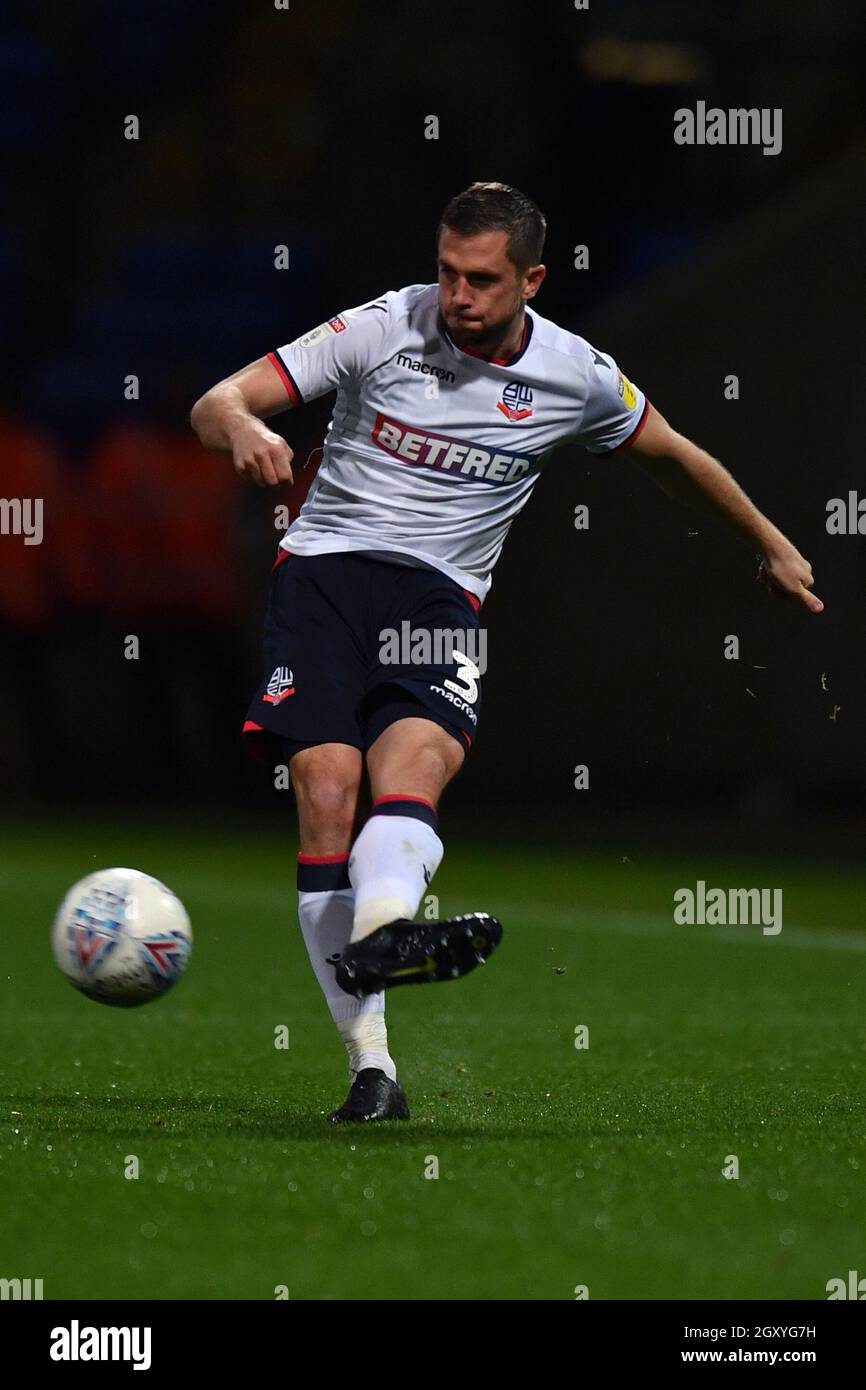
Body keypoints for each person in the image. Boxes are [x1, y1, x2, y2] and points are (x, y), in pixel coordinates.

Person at [190, 182, 822, 1123]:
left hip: (441, 593)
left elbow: (675, 456)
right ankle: (373, 1062)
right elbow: (218, 399)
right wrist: (242, 425)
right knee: (326, 787)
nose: (457, 297)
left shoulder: (575, 375)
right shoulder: (381, 325)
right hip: (325, 575)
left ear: (531, 278)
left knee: (415, 764)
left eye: (481, 280)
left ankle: (385, 935)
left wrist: (769, 541)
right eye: (447, 272)